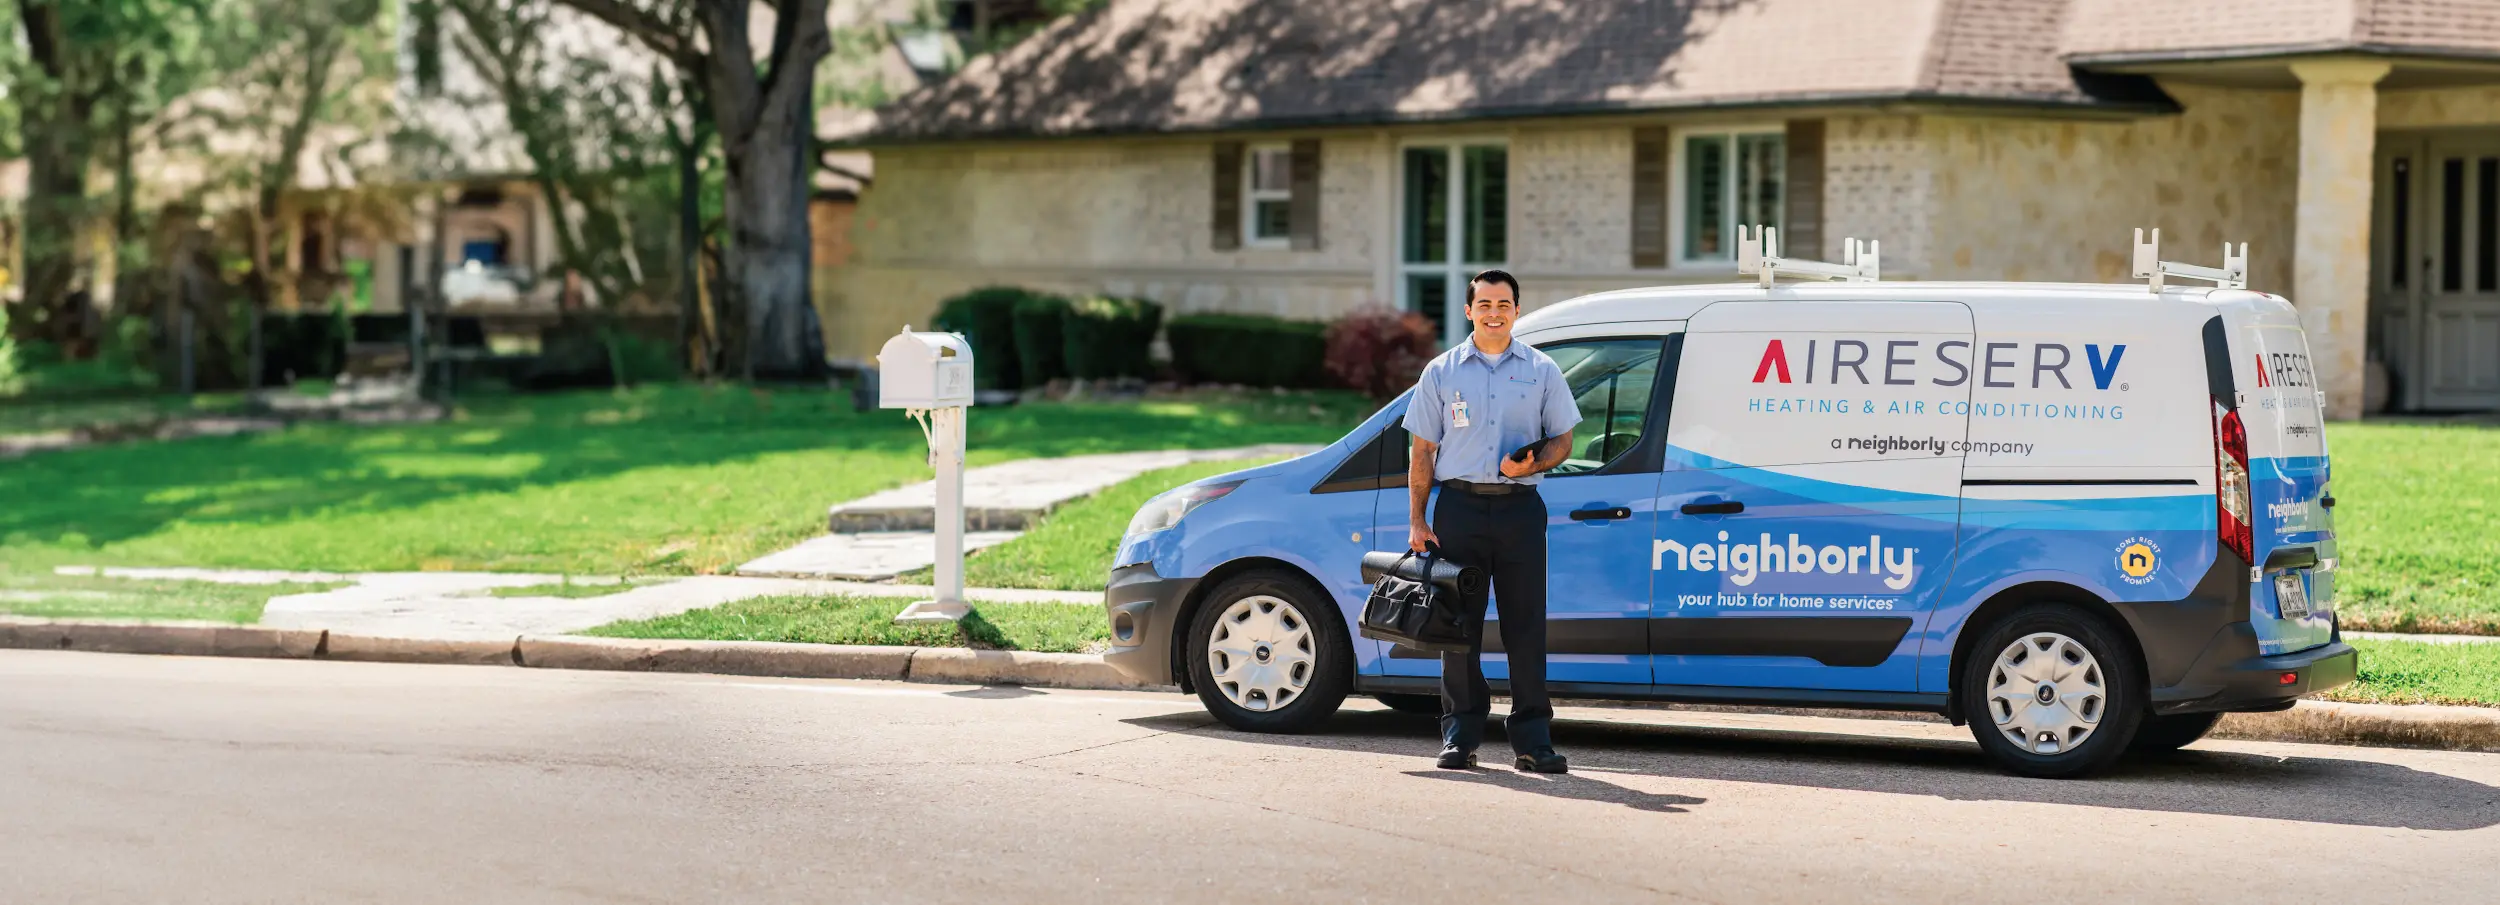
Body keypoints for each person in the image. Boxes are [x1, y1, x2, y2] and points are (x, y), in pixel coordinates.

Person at [1400, 269, 1579, 773]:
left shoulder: (1542, 370)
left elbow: (1563, 440)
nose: (1494, 312)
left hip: (1520, 510)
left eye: (1504, 304)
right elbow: (1423, 451)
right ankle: (1460, 736)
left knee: (1526, 626)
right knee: (1459, 629)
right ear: (1468, 311)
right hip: (1457, 509)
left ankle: (1533, 741)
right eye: (1485, 304)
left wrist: (1535, 463)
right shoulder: (1441, 371)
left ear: (1517, 310)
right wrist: (1418, 519)